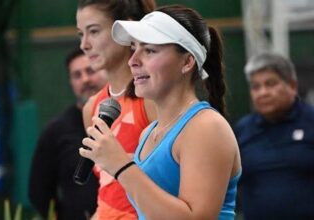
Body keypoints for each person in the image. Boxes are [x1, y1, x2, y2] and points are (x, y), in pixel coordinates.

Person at [79, 5, 242, 220]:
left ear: (186, 62)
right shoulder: (149, 133)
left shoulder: (206, 127)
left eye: (149, 50)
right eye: (134, 47)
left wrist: (121, 165)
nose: (133, 60)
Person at [76, 0, 157, 219]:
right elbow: (108, 192)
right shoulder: (92, 108)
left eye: (93, 31)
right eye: (80, 34)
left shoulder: (152, 99)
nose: (84, 44)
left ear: (126, 29)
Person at [234, 52, 314, 220]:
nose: (263, 92)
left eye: (270, 84)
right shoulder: (242, 129)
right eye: (256, 86)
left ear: (292, 85)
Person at [28, 46, 107, 220]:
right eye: (77, 75)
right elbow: (39, 191)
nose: (85, 79)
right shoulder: (56, 131)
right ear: (71, 82)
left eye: (90, 70)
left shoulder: (125, 117)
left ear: (105, 71)